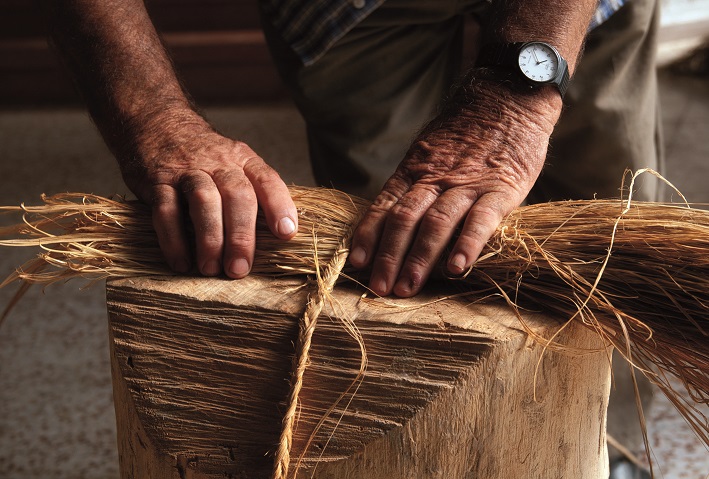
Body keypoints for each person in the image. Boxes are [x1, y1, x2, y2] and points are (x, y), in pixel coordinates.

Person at [43, 1, 661, 477]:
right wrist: (154, 121)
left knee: (613, 208)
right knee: (398, 253)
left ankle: (609, 448)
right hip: (351, 6)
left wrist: (518, 96)